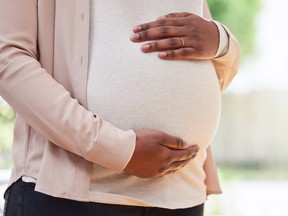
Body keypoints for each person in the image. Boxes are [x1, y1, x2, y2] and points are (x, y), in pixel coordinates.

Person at [0, 0, 239, 215]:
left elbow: (211, 65)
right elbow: (8, 57)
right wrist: (118, 150)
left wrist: (223, 42)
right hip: (71, 198)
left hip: (182, 193)